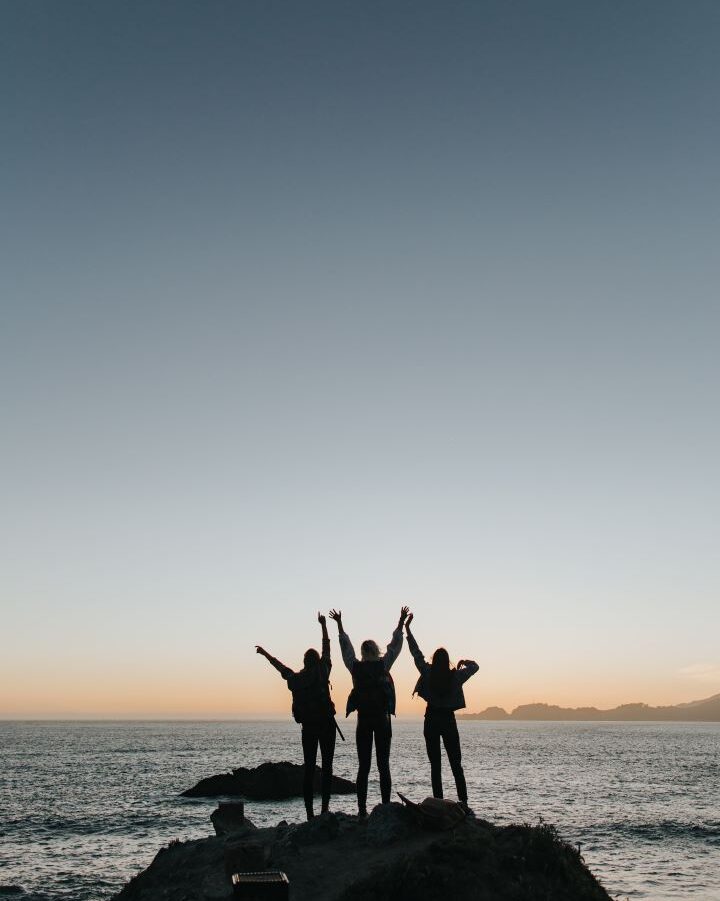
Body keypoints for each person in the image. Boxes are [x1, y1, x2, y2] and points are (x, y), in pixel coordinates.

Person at [329, 605, 409, 816]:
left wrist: (339, 624)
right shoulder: (383, 665)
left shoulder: (355, 668)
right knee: (384, 765)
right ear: (377, 651)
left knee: (363, 766)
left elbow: (346, 649)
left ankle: (362, 809)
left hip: (363, 721)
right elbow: (396, 646)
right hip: (382, 720)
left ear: (363, 653)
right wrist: (400, 621)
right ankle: (384, 806)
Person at [255, 612, 337, 819]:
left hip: (308, 727)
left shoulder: (296, 680)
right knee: (327, 767)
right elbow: (327, 647)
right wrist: (324, 626)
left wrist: (265, 654)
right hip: (327, 724)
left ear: (304, 661)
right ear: (317, 661)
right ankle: (325, 808)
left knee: (309, 769)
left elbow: (280, 668)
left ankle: (309, 814)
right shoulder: (323, 671)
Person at [404, 612, 478, 810]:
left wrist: (408, 629)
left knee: (435, 765)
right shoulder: (456, 677)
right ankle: (464, 803)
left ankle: (438, 803)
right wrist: (464, 661)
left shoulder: (426, 672)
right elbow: (475, 667)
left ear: (434, 660)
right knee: (456, 764)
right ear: (447, 661)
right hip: (448, 720)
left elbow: (415, 653)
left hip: (431, 719)